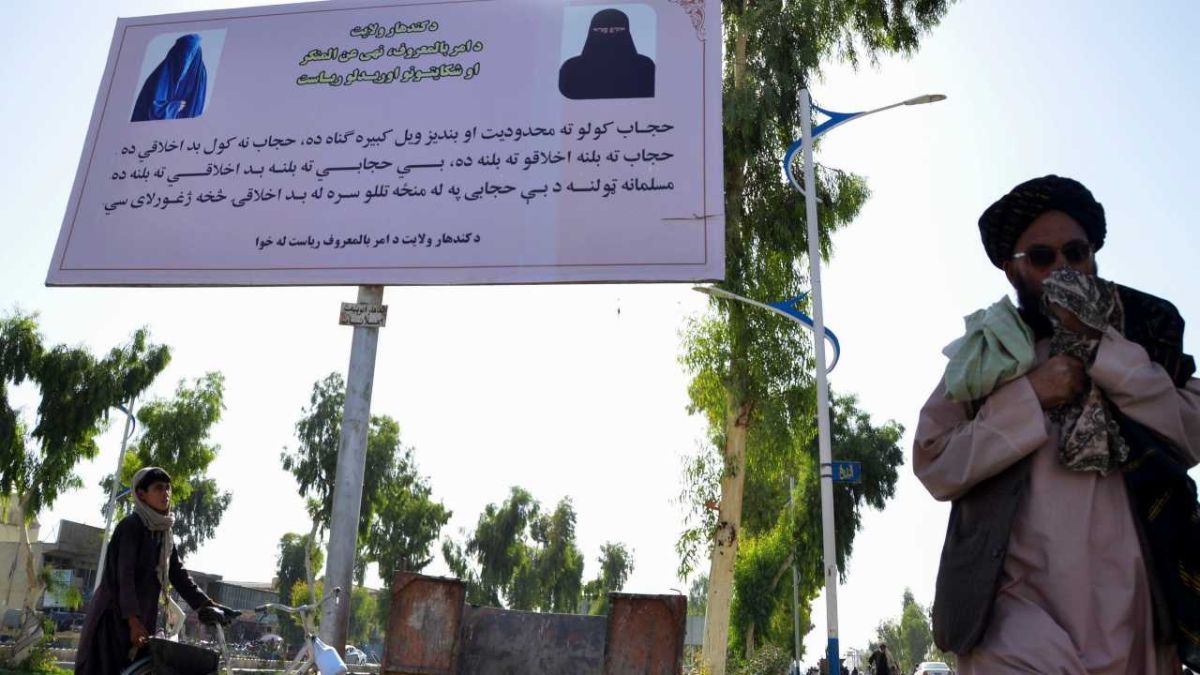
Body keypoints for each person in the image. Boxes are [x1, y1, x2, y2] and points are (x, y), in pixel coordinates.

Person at [915, 175, 1200, 673]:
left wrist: (1105, 352)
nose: (1063, 268)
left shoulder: (1144, 337)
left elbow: (1190, 433)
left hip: (1134, 621)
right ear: (1013, 270)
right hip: (1017, 626)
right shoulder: (986, 356)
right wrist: (1029, 396)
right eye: (1042, 257)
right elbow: (934, 461)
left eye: (1076, 252)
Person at [75, 467, 231, 674]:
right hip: (114, 618)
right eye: (158, 488)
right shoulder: (131, 526)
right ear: (141, 494)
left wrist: (206, 605)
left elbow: (178, 573)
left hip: (142, 618)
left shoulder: (163, 532)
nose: (165, 493)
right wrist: (133, 622)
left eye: (168, 488)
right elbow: (125, 578)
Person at [558, 9, 654, 100]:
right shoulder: (571, 69)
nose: (609, 33)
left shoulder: (645, 67)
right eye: (601, 30)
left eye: (616, 30)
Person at [131, 33, 208, 122]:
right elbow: (150, 110)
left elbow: (195, 111)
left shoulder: (200, 74)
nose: (186, 60)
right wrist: (173, 107)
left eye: (191, 55)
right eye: (183, 53)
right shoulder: (160, 73)